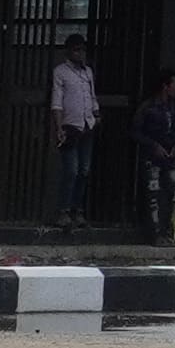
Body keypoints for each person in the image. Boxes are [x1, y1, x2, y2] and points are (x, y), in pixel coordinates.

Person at [47, 40, 103, 225]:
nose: (81, 54)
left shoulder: (87, 72)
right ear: (69, 52)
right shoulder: (61, 72)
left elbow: (91, 95)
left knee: (84, 170)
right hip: (70, 124)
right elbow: (57, 101)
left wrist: (96, 114)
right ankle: (63, 210)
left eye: (83, 50)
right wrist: (59, 126)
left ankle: (77, 209)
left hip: (87, 123)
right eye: (77, 50)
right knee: (71, 170)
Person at [134, 73, 175, 237]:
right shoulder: (149, 107)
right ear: (165, 86)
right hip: (152, 156)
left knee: (173, 193)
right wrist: (153, 145)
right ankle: (155, 232)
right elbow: (135, 131)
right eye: (174, 85)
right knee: (153, 194)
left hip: (171, 157)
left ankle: (168, 230)